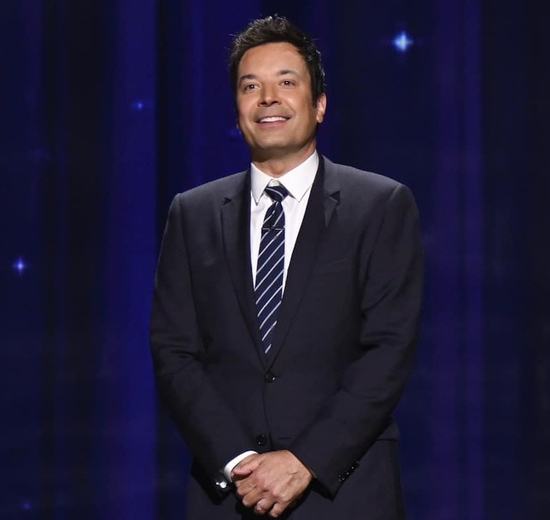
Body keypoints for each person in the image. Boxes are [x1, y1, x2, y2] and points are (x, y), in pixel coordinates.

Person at [150, 15, 423, 519]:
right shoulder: (192, 214)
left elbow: (390, 348)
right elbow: (174, 351)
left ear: (319, 105)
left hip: (344, 492)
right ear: (237, 109)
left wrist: (305, 460)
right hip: (231, 495)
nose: (268, 98)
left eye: (286, 83)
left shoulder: (380, 205)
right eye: (250, 86)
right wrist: (238, 461)